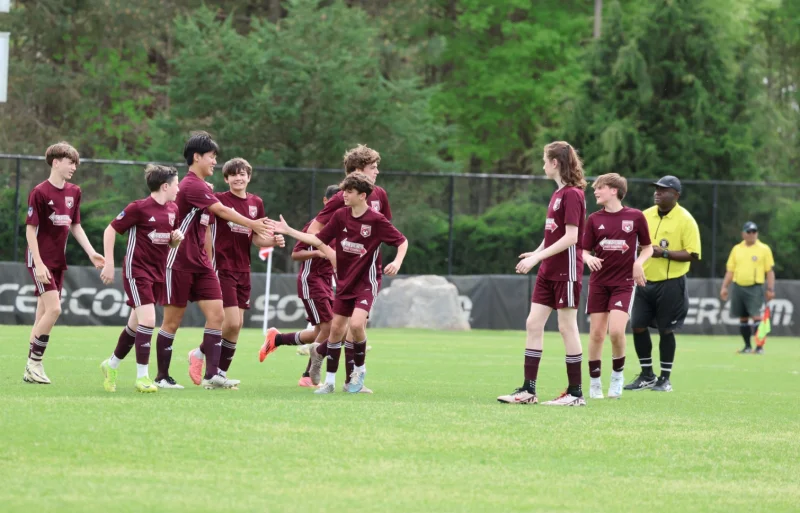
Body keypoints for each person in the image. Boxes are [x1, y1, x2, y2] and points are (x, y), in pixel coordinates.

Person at [269, 172, 408, 394]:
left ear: (362, 195)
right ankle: (330, 382)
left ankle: (359, 370)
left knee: (355, 325)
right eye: (343, 191)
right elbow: (317, 239)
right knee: (335, 331)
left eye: (349, 192)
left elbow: (402, 241)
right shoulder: (341, 216)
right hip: (344, 282)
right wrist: (289, 231)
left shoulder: (376, 220)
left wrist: (397, 262)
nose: (344, 195)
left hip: (367, 281)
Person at [154, 132, 272, 390]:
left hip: (201, 263)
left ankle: (213, 375)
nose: (214, 162)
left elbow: (206, 225)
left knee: (219, 316)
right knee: (172, 321)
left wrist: (208, 256)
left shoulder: (204, 187)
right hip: (180, 260)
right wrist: (252, 223)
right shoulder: (191, 185)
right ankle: (162, 376)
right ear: (197, 157)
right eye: (212, 157)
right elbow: (221, 211)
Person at [497, 141, 587, 406]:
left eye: (545, 160)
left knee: (566, 327)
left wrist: (538, 257)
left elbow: (572, 238)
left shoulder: (572, 194)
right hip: (548, 271)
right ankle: (528, 391)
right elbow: (552, 235)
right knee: (533, 324)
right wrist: (535, 252)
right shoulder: (558, 193)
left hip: (567, 271)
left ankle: (575, 393)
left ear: (555, 163)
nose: (543, 165)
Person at [184, 158, 284, 385]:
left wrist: (273, 241)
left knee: (236, 324)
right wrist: (207, 260)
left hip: (243, 269)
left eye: (243, 174)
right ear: (226, 178)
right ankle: (212, 369)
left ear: (249, 177)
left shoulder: (256, 202)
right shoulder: (219, 200)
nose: (239, 178)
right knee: (229, 322)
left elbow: (257, 237)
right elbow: (207, 229)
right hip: (222, 267)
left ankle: (213, 367)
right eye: (233, 174)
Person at [23, 142, 105, 384]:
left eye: (76, 163)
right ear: (56, 162)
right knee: (55, 309)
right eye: (71, 162)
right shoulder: (39, 192)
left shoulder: (74, 192)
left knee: (42, 314)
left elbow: (75, 226)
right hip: (40, 259)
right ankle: (34, 363)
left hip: (58, 260)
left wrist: (91, 253)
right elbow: (30, 230)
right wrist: (38, 262)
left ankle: (30, 368)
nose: (74, 167)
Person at [99, 165, 183, 393]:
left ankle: (111, 364)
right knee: (148, 321)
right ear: (165, 186)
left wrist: (176, 239)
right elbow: (110, 230)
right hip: (137, 272)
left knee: (135, 325)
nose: (179, 187)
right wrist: (109, 262)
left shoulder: (173, 209)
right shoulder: (139, 208)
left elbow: (170, 242)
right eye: (177, 183)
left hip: (158, 273)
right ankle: (142, 377)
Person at [625, 175, 701, 393]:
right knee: (637, 326)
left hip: (671, 283)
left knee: (666, 330)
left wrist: (664, 253)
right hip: (643, 281)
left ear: (676, 195)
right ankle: (646, 375)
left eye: (663, 190)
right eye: (656, 189)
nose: (657, 193)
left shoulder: (686, 220)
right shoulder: (645, 215)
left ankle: (664, 378)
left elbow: (693, 254)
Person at [259, 184, 339, 389]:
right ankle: (307, 376)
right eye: (333, 202)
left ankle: (276, 339)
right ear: (325, 202)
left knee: (318, 332)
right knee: (329, 327)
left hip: (326, 281)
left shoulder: (341, 225)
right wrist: (317, 253)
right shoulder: (315, 225)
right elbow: (296, 254)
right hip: (311, 280)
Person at [582, 173, 653, 399]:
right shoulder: (593, 219)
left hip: (623, 284)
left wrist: (638, 264)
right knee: (596, 334)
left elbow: (648, 248)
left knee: (616, 331)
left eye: (599, 187)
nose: (595, 191)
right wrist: (587, 258)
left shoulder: (636, 217)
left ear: (614, 190)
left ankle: (617, 377)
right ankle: (594, 383)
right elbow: (582, 250)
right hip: (599, 283)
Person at [720, 221, 775, 354]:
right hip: (738, 286)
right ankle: (747, 346)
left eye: (754, 232)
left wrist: (770, 289)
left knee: (756, 316)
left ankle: (759, 347)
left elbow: (770, 271)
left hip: (755, 287)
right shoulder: (737, 249)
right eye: (749, 232)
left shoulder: (764, 249)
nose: (752, 234)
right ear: (743, 234)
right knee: (743, 318)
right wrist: (724, 287)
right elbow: (730, 270)